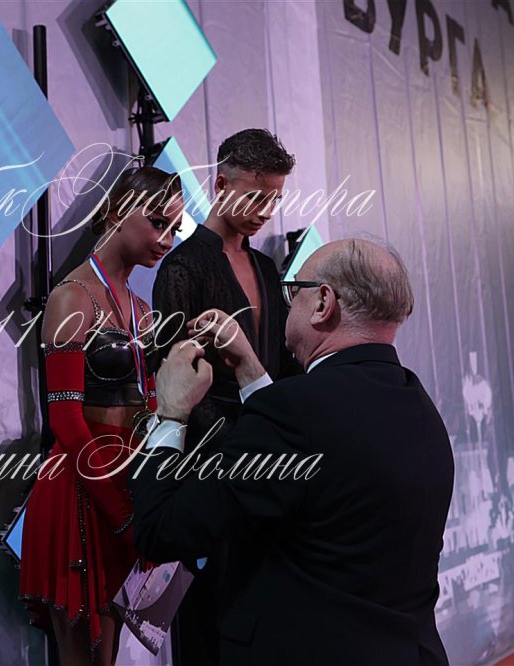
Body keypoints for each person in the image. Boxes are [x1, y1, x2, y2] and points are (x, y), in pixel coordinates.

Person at [130, 238, 454, 664]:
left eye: (293, 290)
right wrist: (251, 371)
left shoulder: (293, 414)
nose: (286, 304)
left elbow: (163, 529)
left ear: (323, 302)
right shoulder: (418, 404)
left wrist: (171, 413)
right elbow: (315, 455)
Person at [19, 166, 185, 665]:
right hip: (80, 487)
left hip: (125, 487)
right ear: (116, 213)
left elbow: (150, 408)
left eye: (174, 228)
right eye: (158, 222)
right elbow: (66, 421)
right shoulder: (72, 297)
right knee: (85, 653)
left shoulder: (143, 310)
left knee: (108, 652)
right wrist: (121, 510)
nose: (167, 240)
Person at [151, 128, 302, 666]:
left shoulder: (267, 268)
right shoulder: (182, 267)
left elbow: (283, 368)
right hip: (208, 475)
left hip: (270, 470)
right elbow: (172, 380)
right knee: (207, 630)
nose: (266, 212)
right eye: (256, 197)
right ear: (220, 184)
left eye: (275, 199)